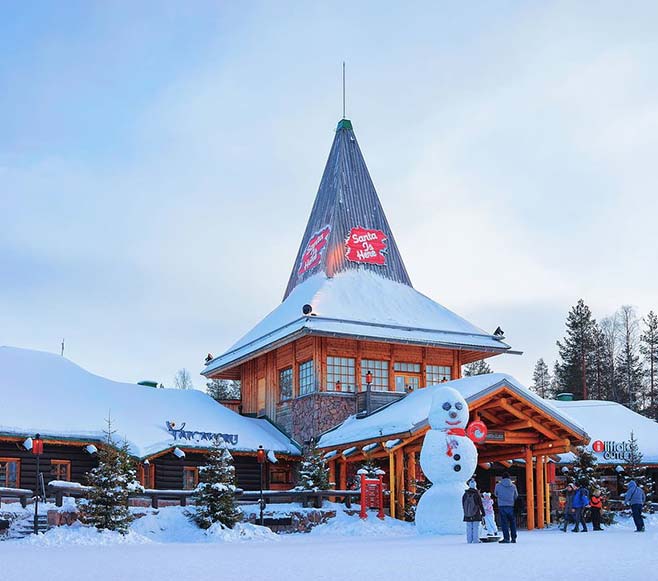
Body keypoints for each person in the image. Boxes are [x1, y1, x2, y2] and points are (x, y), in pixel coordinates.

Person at [494, 472, 518, 543]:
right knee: (512, 523)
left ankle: (506, 538)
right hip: (511, 506)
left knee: (504, 523)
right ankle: (513, 538)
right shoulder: (513, 486)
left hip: (502, 506)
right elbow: (516, 495)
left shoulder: (498, 485)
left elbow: (495, 494)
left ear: (502, 478)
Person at [462, 479, 485, 544]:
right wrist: (483, 512)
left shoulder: (465, 494)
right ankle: (475, 540)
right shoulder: (476, 494)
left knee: (469, 527)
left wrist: (466, 511)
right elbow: (480, 504)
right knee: (476, 527)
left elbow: (463, 504)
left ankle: (469, 540)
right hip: (476, 513)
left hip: (467, 513)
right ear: (475, 485)